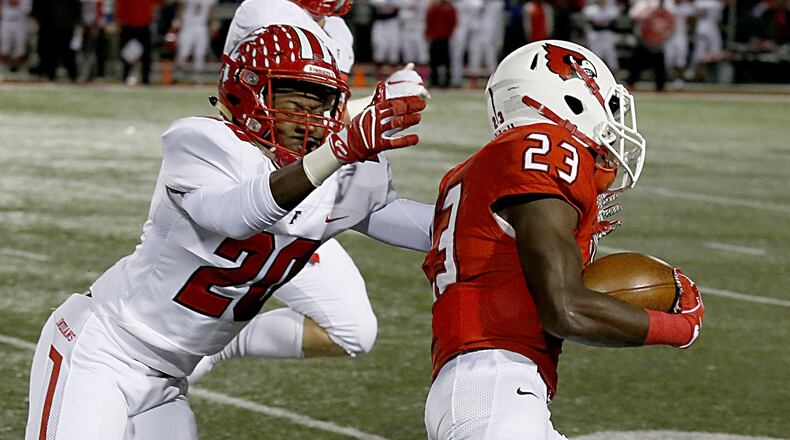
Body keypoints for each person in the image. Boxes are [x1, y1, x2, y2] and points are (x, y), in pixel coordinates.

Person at [25, 24, 427, 439]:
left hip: (167, 383)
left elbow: (433, 230)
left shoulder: (337, 174)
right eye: (291, 95)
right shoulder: (203, 141)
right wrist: (335, 154)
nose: (306, 116)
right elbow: (238, 215)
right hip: (103, 351)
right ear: (248, 93)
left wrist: (492, 184)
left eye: (319, 102)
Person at [422, 40, 705, 439]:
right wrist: (679, 328)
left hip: (483, 385)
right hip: (495, 389)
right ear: (572, 98)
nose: (613, 122)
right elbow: (565, 309)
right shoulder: (542, 148)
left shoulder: (475, 171)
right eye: (608, 105)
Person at [186, 0, 432, 384]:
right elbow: (287, 110)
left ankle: (221, 342)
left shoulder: (338, 32)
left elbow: (322, 118)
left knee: (352, 330)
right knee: (162, 362)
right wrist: (376, 109)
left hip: (296, 186)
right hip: (249, 176)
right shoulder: (266, 11)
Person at [115, 0, 160, 85]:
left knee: (146, 54)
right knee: (126, 54)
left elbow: (159, 3)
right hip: (128, 25)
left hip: (143, 25)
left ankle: (145, 79)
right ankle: (125, 77)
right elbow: (119, 7)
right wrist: (119, 22)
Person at [174, 0, 216, 81]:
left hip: (201, 26)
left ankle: (198, 76)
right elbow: (181, 7)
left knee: (200, 53)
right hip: (187, 25)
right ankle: (178, 74)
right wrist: (177, 21)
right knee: (183, 52)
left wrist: (213, 23)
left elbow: (212, 10)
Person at [582, 0, 621, 72]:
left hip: (606, 33)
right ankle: (594, 73)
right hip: (594, 34)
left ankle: (614, 74)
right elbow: (588, 24)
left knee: (610, 54)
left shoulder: (611, 9)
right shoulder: (590, 10)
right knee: (595, 55)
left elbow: (614, 21)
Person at [426, 0, 456, 88]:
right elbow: (429, 21)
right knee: (434, 62)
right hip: (435, 37)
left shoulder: (448, 7)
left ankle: (446, 81)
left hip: (444, 37)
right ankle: (434, 81)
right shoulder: (433, 7)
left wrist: (448, 34)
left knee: (445, 61)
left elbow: (452, 22)